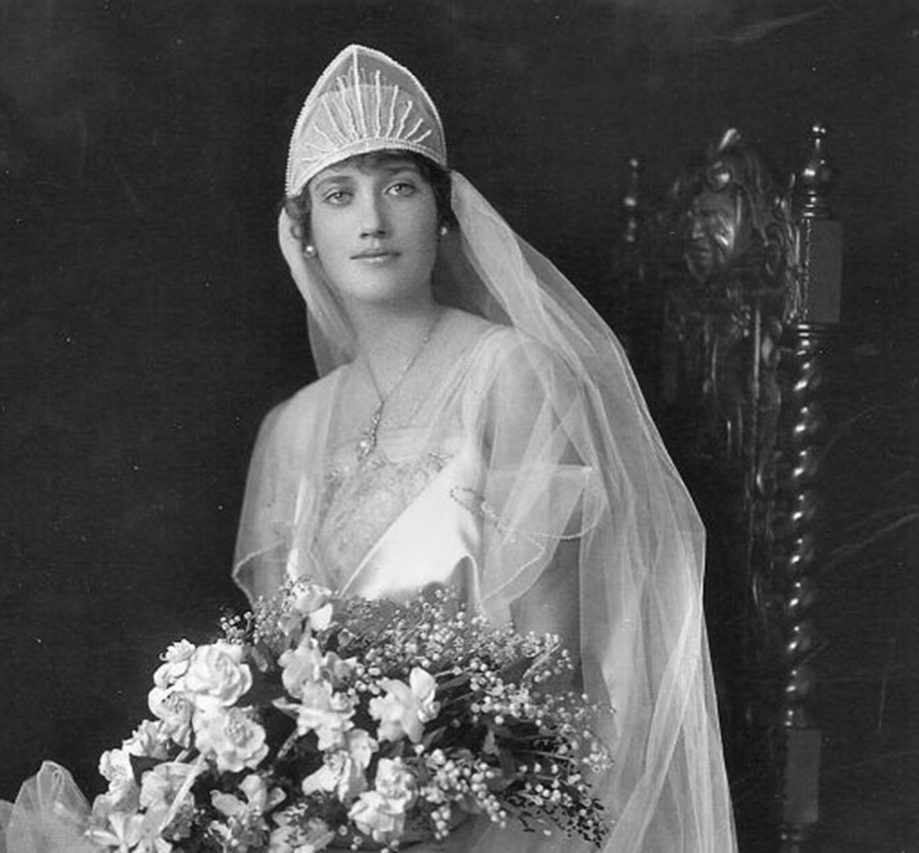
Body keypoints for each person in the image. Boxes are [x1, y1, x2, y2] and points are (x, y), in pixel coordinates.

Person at [232, 45, 737, 852]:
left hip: (491, 808)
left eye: (399, 186)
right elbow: (274, 688)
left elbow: (551, 669)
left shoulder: (511, 374)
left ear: (441, 212)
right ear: (306, 234)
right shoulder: (290, 427)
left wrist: (420, 807)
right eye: (339, 195)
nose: (371, 220)